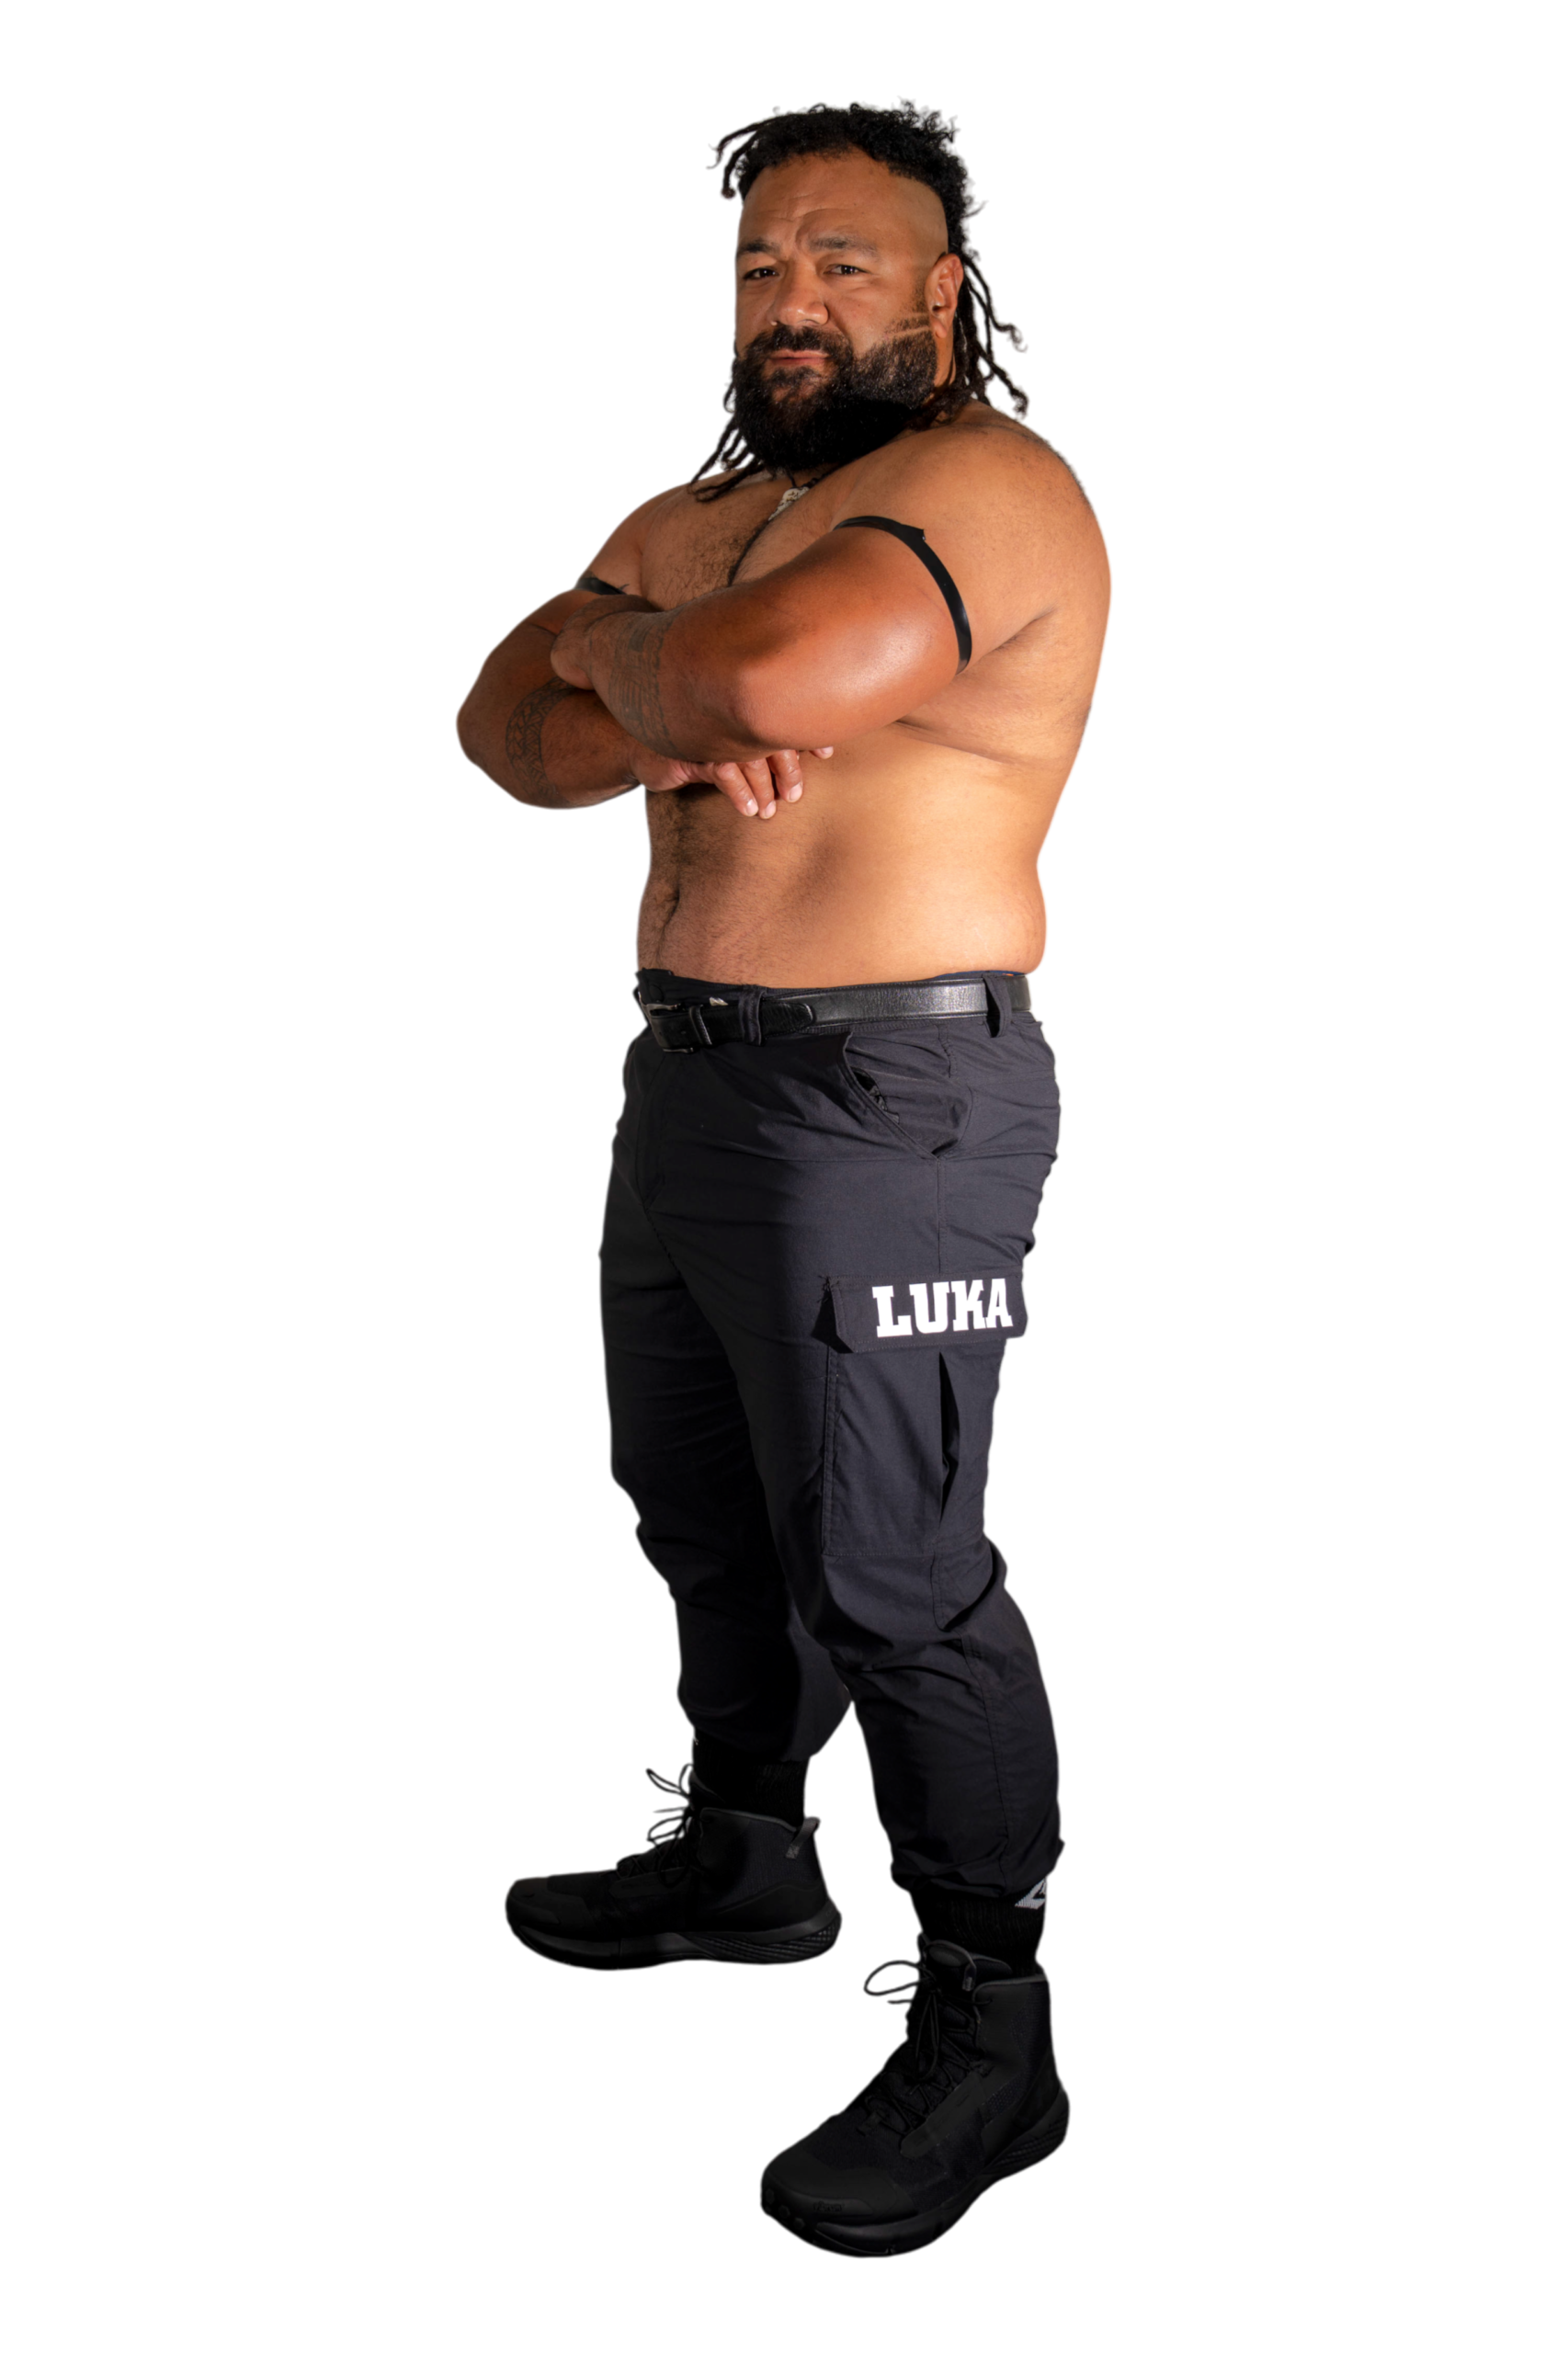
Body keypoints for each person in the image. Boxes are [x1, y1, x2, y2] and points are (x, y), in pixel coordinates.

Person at [454, 96, 1112, 2257]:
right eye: (758, 266)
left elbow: (749, 672)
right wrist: (631, 679)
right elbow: (497, 731)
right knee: (691, 1504)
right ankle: (750, 1853)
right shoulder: (705, 508)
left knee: (896, 1578)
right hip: (689, 1088)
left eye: (840, 260)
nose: (791, 296)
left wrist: (620, 652)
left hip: (887, 1105)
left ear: (939, 292)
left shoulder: (987, 485)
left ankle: (994, 2020)